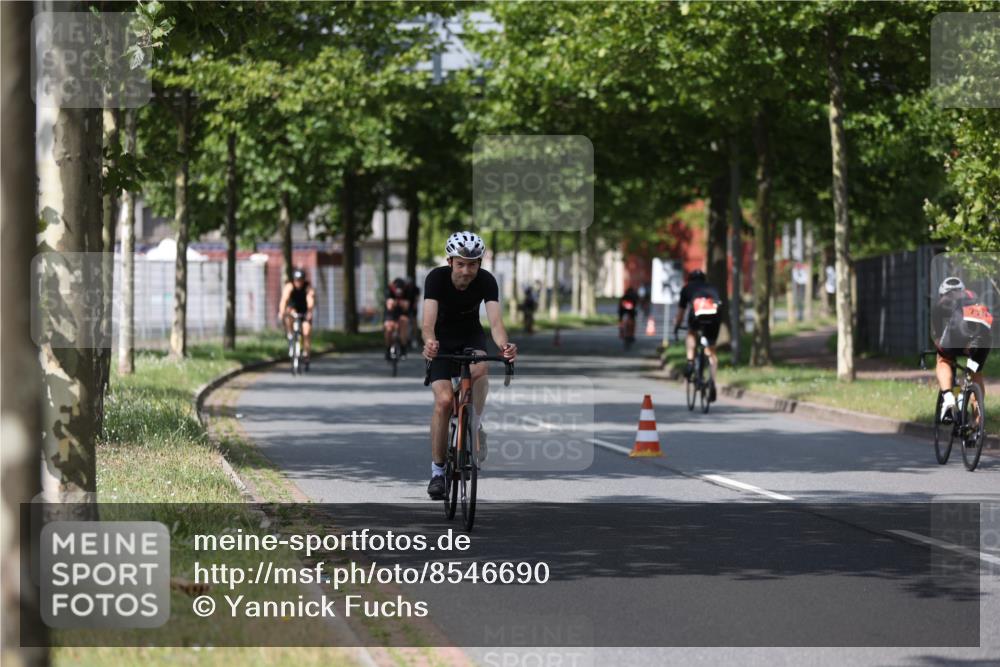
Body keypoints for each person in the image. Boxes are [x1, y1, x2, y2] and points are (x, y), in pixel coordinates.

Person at [422, 231, 517, 500]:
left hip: (470, 336)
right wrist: (429, 342)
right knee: (442, 402)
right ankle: (438, 473)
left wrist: (504, 346)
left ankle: (473, 423)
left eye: (473, 264)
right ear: (450, 261)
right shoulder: (436, 278)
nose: (467, 270)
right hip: (441, 341)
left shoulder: (486, 281)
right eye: (461, 263)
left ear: (480, 263)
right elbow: (428, 323)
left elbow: (496, 324)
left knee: (481, 368)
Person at [932, 276, 992, 424]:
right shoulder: (973, 296)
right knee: (975, 372)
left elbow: (939, 335)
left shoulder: (943, 300)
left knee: (943, 359)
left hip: (960, 329)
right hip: (984, 332)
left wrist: (940, 343)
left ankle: (948, 399)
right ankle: (978, 420)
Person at [673, 269, 723, 402]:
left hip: (697, 316)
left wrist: (677, 326)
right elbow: (719, 305)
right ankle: (712, 381)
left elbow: (681, 313)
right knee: (711, 351)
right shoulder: (712, 287)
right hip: (714, 318)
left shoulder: (687, 289)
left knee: (691, 333)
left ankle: (690, 362)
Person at [278, 268, 315, 368]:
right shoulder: (289, 287)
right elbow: (284, 300)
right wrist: (281, 312)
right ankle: (290, 335)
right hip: (293, 309)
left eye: (301, 280)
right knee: (288, 316)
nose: (299, 282)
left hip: (304, 311)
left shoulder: (308, 287)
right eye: (297, 280)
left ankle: (306, 354)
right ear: (294, 280)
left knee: (306, 331)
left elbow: (310, 300)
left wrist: (310, 311)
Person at [383, 277, 412, 358]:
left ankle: (403, 348)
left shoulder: (407, 290)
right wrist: (400, 303)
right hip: (390, 314)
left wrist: (395, 303)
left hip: (403, 313)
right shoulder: (389, 290)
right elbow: (389, 306)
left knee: (404, 323)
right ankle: (388, 349)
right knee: (389, 328)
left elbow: (406, 306)